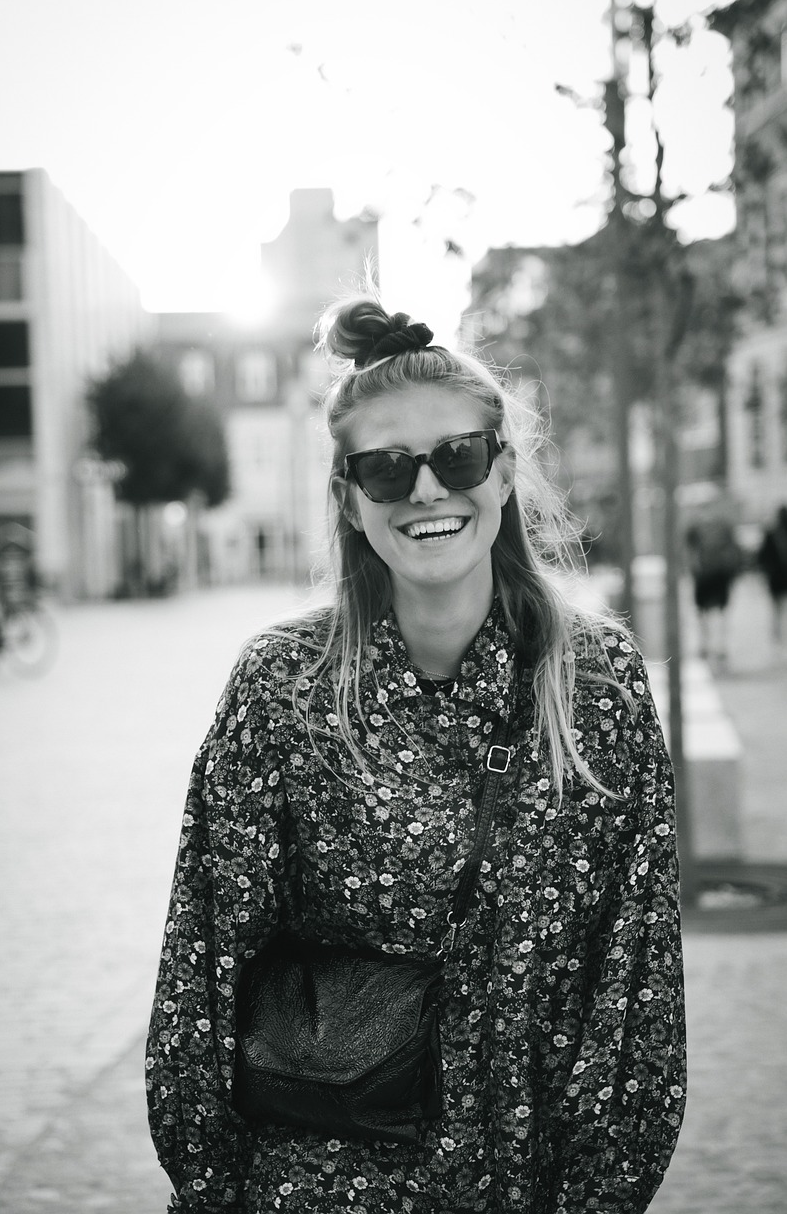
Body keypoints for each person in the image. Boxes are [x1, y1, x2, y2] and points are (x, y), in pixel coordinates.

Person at [146, 296, 686, 1213]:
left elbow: (636, 979)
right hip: (319, 1182)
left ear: (504, 470)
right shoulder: (283, 687)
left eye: (458, 456)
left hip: (531, 1182)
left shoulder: (598, 684)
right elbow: (204, 965)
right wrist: (209, 1186)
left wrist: (600, 1194)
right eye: (387, 470)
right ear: (349, 500)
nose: (427, 490)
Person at [685, 503, 742, 667]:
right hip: (716, 575)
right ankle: (718, 646)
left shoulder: (697, 526)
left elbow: (690, 552)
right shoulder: (722, 526)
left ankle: (709, 646)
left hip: (707, 575)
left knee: (705, 613)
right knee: (719, 613)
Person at [758, 504, 787, 647]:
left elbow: (762, 557)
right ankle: (777, 634)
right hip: (778, 576)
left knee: (776, 608)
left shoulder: (771, 534)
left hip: (776, 577)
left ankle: (777, 634)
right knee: (777, 607)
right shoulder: (772, 534)